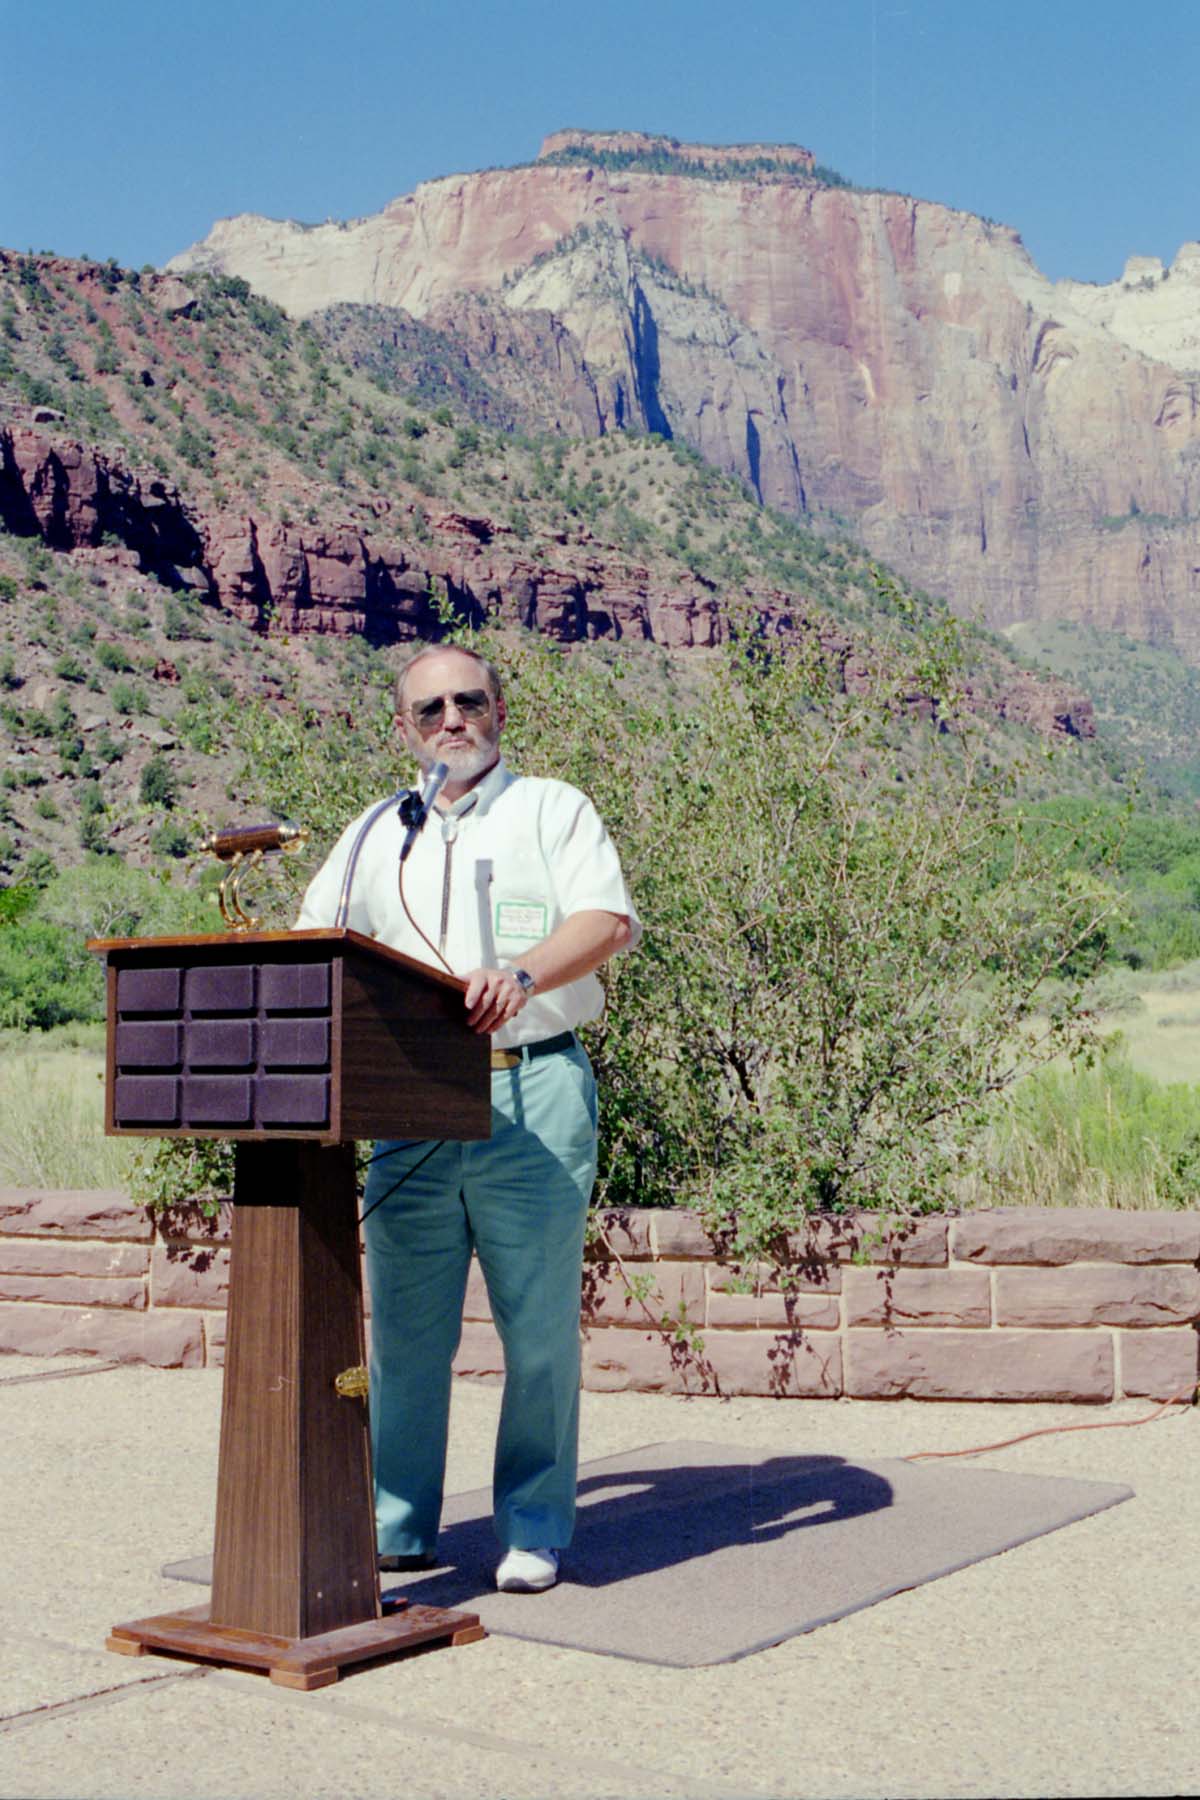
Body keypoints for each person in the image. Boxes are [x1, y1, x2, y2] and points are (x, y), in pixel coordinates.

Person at [295, 643, 640, 1593]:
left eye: (469, 702)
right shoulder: (377, 831)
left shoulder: (552, 808)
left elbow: (605, 921)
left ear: (500, 710)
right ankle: (397, 1525)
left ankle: (532, 1527)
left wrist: (521, 974)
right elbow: (315, 943)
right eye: (431, 708)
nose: (452, 720)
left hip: (532, 1085)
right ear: (402, 728)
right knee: (405, 1332)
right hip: (409, 1103)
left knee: (537, 1333)